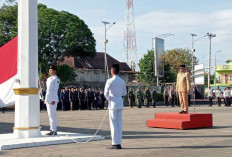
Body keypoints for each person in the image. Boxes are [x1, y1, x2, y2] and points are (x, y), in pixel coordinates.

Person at [104, 64, 127, 149]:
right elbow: (124, 93)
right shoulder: (122, 81)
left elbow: (105, 93)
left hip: (113, 103)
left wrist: (109, 98)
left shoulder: (110, 81)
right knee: (119, 123)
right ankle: (119, 143)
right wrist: (118, 95)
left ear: (112, 71)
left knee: (113, 124)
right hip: (119, 102)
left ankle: (114, 143)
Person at [45, 65, 60, 136]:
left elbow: (55, 90)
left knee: (53, 115)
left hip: (53, 100)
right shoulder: (48, 79)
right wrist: (45, 99)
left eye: (51, 70)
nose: (50, 71)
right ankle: (51, 129)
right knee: (49, 115)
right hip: (48, 99)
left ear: (54, 71)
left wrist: (54, 99)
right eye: (49, 70)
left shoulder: (56, 79)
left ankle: (54, 130)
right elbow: (48, 90)